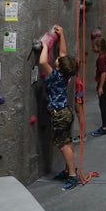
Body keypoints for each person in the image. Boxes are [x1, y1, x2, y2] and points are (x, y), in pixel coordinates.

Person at [39, 24, 81, 191]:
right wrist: (61, 34)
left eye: (56, 60)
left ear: (57, 67)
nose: (57, 57)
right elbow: (63, 53)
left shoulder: (55, 76)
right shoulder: (65, 73)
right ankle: (67, 170)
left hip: (59, 114)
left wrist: (44, 45)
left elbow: (43, 61)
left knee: (63, 145)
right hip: (65, 112)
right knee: (67, 142)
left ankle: (72, 175)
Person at [91, 36, 106, 136]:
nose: (93, 48)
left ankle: (104, 127)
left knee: (103, 105)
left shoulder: (101, 58)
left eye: (94, 46)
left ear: (99, 47)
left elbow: (103, 73)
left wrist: (100, 87)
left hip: (104, 83)